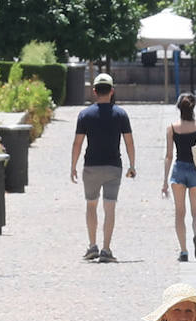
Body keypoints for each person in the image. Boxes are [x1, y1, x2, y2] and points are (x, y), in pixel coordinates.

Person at [70, 73, 136, 264]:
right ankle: (106, 249)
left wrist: (73, 166)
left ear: (94, 91)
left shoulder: (84, 115)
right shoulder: (121, 114)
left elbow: (77, 143)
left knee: (91, 205)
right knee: (110, 207)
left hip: (91, 166)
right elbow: (129, 142)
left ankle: (92, 246)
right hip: (113, 166)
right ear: (112, 91)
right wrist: (132, 165)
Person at [161, 93, 196, 262]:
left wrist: (164, 182)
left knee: (179, 213)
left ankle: (183, 251)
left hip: (179, 170)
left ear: (179, 108)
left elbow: (169, 155)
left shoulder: (172, 128)